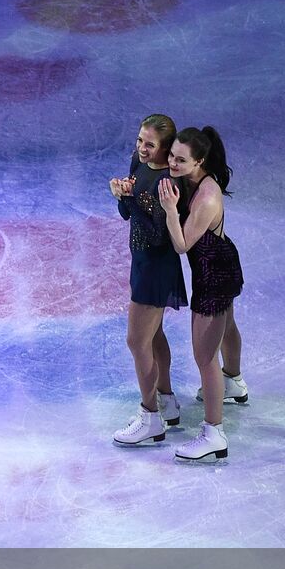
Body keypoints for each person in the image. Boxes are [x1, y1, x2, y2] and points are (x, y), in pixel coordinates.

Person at [158, 127, 244, 462]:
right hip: (221, 262)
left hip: (213, 277)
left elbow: (182, 245)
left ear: (200, 161)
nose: (173, 163)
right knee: (228, 328)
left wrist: (169, 209)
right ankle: (233, 380)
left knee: (205, 358)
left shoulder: (207, 197)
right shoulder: (195, 180)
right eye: (172, 156)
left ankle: (214, 434)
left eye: (181, 160)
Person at [109, 115, 187, 446]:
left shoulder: (167, 182)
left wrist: (128, 199)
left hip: (156, 266)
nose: (142, 148)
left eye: (150, 144)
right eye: (140, 140)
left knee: (136, 341)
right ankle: (166, 401)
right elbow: (130, 216)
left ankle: (150, 416)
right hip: (141, 261)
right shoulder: (138, 163)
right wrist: (122, 196)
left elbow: (158, 236)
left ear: (165, 149)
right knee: (153, 336)